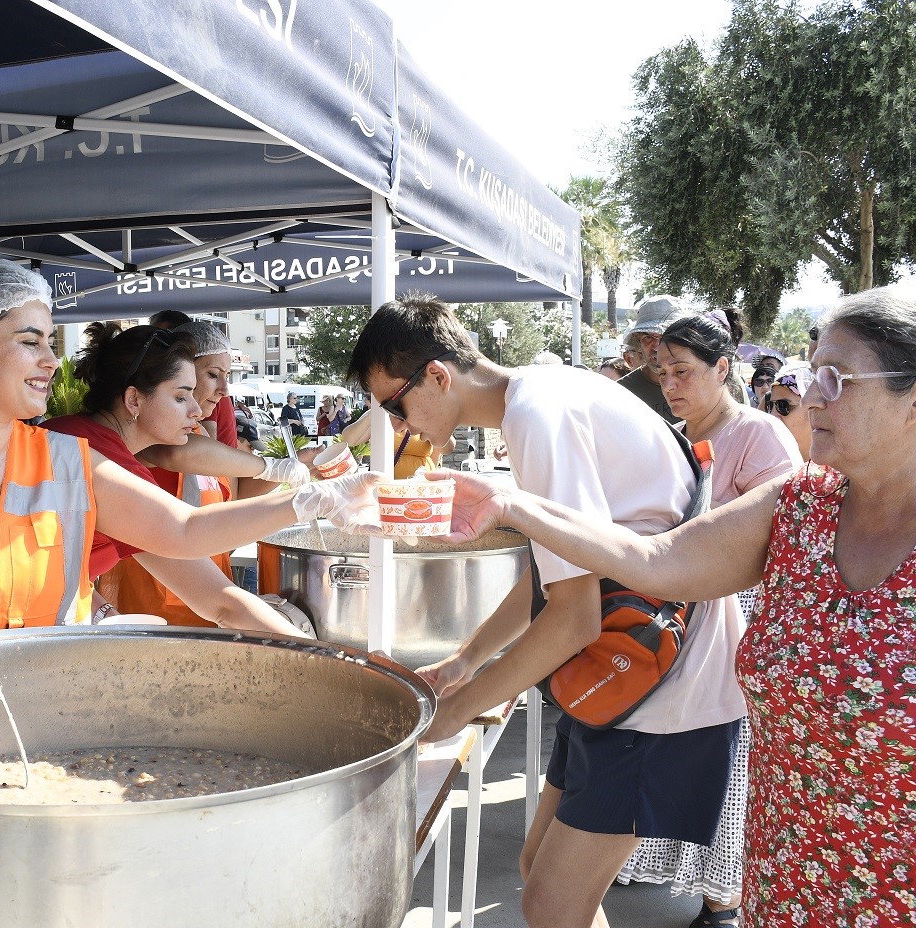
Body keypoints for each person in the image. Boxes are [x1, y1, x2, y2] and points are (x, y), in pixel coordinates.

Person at [432, 286, 916, 928]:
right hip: (788, 880)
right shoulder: (801, 504)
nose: (812, 394)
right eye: (813, 369)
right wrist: (512, 505)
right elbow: (655, 561)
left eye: (838, 378)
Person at [344, 292, 741, 928]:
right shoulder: (539, 394)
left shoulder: (535, 417)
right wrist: (466, 659)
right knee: (539, 875)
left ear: (439, 376)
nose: (402, 426)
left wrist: (456, 712)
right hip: (627, 674)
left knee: (553, 903)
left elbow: (574, 618)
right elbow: (555, 574)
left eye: (396, 405)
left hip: (660, 688)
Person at [0, 259, 375, 633]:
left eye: (51, 341)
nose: (50, 360)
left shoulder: (67, 462)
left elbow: (186, 532)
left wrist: (311, 500)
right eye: (30, 341)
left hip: (40, 730)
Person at [615, 312, 802, 927]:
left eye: (684, 371)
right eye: (662, 371)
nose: (670, 383)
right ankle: (678, 871)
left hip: (735, 616)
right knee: (673, 746)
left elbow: (787, 535)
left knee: (726, 756)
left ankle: (723, 895)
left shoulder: (758, 435)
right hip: (675, 613)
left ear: (724, 369)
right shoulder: (669, 433)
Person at [49, 322, 303, 633]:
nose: (197, 410)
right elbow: (189, 535)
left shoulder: (99, 446)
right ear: (134, 400)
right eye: (182, 397)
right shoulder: (91, 455)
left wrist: (100, 609)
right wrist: (307, 501)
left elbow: (222, 602)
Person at [149, 309, 237, 447]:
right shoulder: (154, 425)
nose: (225, 391)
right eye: (213, 375)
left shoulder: (195, 427)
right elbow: (175, 454)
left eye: (227, 375)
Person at [617, 296, 691, 423]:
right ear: (639, 343)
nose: (657, 347)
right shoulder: (621, 394)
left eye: (666, 336)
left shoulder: (710, 379)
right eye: (648, 337)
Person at [765, 364, 813, 460]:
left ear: (813, 408)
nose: (773, 415)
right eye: (770, 406)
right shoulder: (766, 462)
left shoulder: (839, 469)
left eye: (783, 405)